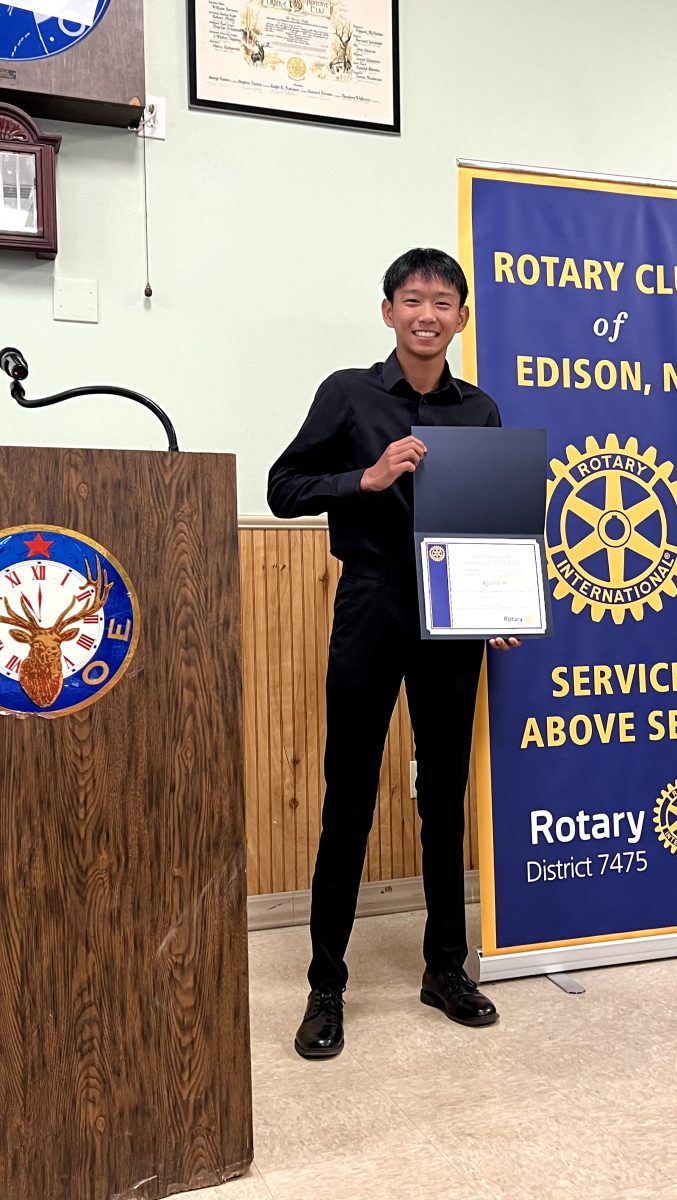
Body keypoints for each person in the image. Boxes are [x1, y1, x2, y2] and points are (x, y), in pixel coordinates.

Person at [268, 248, 520, 1060]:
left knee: (443, 794)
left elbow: (493, 523)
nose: (428, 314)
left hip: (453, 620)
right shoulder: (349, 393)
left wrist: (504, 599)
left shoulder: (480, 410)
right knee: (349, 792)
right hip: (373, 600)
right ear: (388, 312)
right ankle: (325, 986)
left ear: (461, 318)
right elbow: (283, 487)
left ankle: (445, 967)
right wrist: (364, 479)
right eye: (413, 300)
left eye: (443, 302)